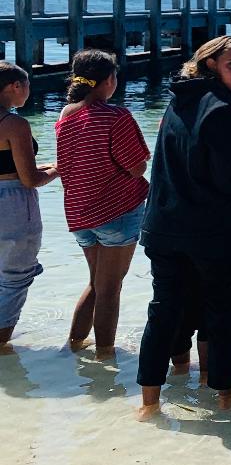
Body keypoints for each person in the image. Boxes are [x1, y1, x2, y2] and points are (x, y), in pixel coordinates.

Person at [135, 35, 231, 417]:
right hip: (211, 232)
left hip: (162, 227)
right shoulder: (224, 110)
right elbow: (230, 178)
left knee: (165, 310)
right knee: (223, 313)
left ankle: (150, 404)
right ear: (211, 64)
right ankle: (225, 399)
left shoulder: (178, 100)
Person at [54, 50, 151, 359]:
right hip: (115, 212)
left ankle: (73, 348)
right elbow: (137, 167)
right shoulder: (116, 116)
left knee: (96, 285)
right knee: (110, 289)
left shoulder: (66, 114)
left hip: (79, 213)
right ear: (109, 80)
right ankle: (105, 358)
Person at [0, 63, 59, 347]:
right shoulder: (14, 124)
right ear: (15, 87)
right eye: (27, 86)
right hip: (12, 206)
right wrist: (59, 169)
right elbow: (31, 179)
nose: (28, 93)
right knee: (15, 278)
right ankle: (1, 345)